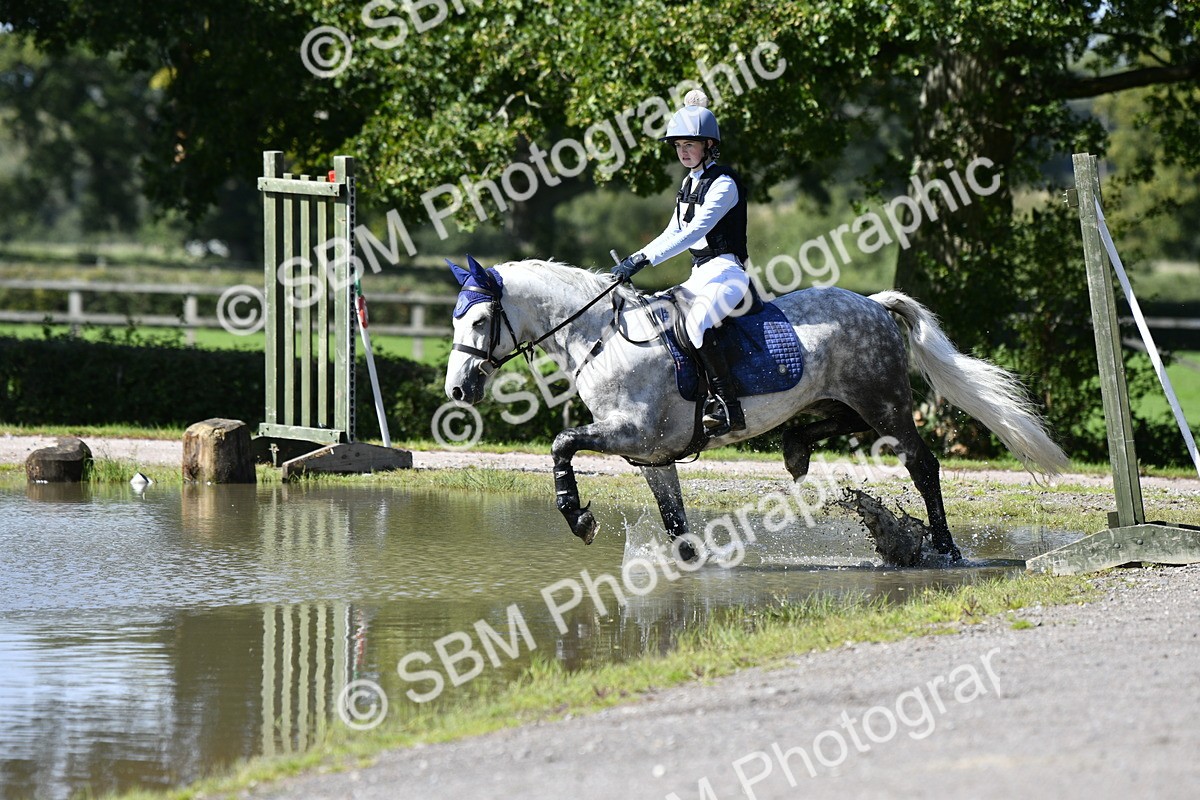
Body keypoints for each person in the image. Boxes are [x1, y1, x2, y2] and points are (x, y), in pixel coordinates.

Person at [612, 89, 749, 436]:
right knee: (661, 320)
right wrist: (632, 258)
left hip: (727, 273)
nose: (683, 152)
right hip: (699, 275)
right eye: (678, 146)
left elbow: (692, 234)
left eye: (690, 145)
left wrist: (645, 259)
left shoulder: (724, 184)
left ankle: (728, 407)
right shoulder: (689, 184)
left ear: (708, 146)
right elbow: (672, 230)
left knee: (695, 324)